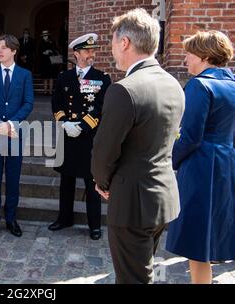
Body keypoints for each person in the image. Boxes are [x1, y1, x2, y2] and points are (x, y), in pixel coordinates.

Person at [90, 8, 185, 284]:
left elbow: (104, 150)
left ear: (125, 43)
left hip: (131, 203)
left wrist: (102, 181)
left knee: (132, 279)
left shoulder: (125, 89)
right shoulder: (173, 84)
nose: (112, 49)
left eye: (112, 42)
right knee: (142, 272)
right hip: (162, 198)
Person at [165, 30, 235, 284]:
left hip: (201, 166)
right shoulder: (232, 83)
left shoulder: (199, 84)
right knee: (216, 231)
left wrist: (169, 160)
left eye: (189, 54)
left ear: (205, 56)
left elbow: (190, 136)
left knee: (198, 240)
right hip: (227, 162)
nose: (185, 60)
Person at [49, 33, 111, 241]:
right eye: (87, 51)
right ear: (76, 53)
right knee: (66, 181)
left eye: (93, 51)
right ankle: (64, 218)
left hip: (88, 138)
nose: (91, 54)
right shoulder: (63, 78)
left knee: (91, 183)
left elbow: (101, 108)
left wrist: (83, 126)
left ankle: (94, 225)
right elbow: (56, 103)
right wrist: (64, 122)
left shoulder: (102, 78)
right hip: (67, 135)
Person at [0, 34, 34, 238]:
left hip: (15, 134)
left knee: (13, 179)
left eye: (4, 48)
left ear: (14, 51)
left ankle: (11, 219)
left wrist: (11, 123)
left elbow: (28, 103)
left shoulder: (24, 75)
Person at [39, 30, 58, 95]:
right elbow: (39, 51)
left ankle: (50, 91)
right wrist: (43, 52)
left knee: (51, 77)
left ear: (48, 35)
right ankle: (45, 91)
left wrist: (50, 51)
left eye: (46, 35)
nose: (45, 36)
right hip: (44, 61)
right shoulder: (41, 43)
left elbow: (55, 49)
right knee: (45, 77)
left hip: (51, 61)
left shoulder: (52, 42)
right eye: (44, 35)